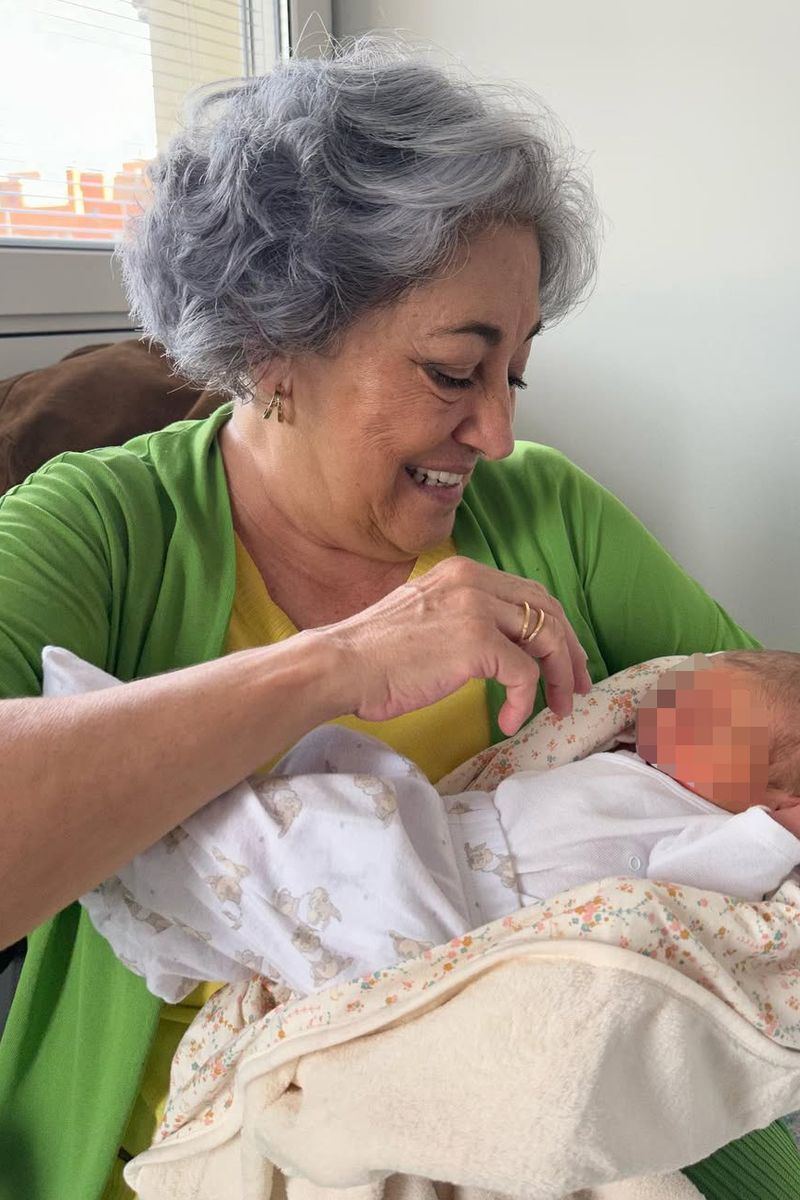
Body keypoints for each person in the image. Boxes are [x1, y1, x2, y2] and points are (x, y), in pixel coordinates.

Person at [0, 37, 796, 1200]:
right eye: (450, 371)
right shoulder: (105, 528)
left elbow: (767, 717)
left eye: (512, 375)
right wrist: (330, 668)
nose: (497, 436)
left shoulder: (548, 513)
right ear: (275, 347)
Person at [43, 646, 800, 1007]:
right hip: (444, 837)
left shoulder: (703, 823)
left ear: (769, 788)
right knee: (326, 811)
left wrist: (779, 832)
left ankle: (160, 846)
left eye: (710, 720)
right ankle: (164, 845)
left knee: (298, 851)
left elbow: (700, 892)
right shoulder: (634, 762)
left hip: (468, 910)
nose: (671, 711)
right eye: (685, 696)